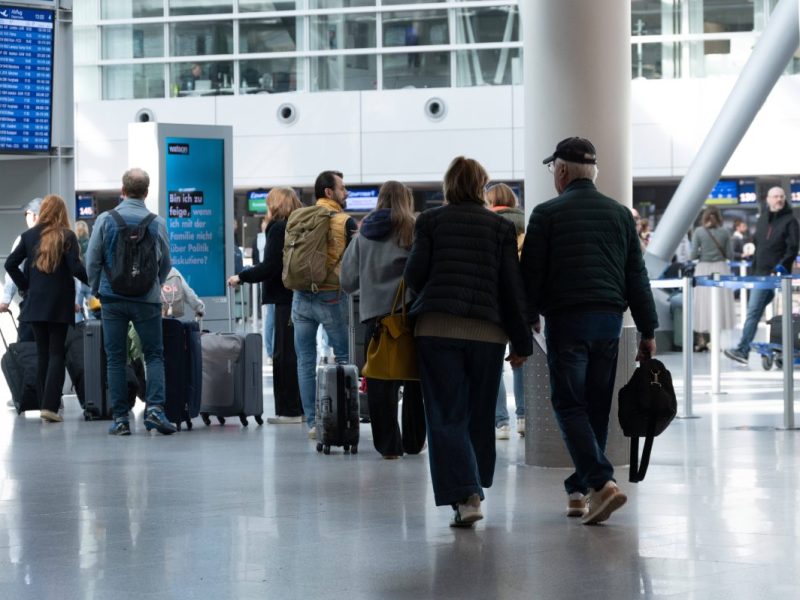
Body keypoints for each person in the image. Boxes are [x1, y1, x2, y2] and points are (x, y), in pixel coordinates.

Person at [520, 137, 658, 525]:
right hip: (609, 322)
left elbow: (531, 274)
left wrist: (528, 315)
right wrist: (647, 329)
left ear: (561, 171)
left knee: (568, 404)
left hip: (566, 321)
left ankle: (601, 483)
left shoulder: (546, 215)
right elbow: (637, 276)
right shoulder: (618, 215)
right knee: (596, 406)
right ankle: (579, 490)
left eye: (552, 170)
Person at [403, 156, 532, 528]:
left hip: (437, 329)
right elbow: (512, 288)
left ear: (447, 185)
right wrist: (520, 342)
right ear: (481, 186)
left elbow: (414, 275)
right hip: (487, 334)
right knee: (478, 416)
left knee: (445, 415)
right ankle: (474, 487)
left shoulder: (429, 221)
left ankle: (466, 495)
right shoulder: (499, 226)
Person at [85, 168, 176, 436]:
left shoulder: (105, 219)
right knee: (154, 355)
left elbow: (92, 259)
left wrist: (96, 288)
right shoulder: (157, 222)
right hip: (147, 300)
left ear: (121, 190)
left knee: (115, 358)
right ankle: (156, 411)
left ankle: (121, 419)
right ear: (146, 192)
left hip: (112, 298)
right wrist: (154, 285)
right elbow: (166, 262)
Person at [341, 181, 426, 459]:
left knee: (380, 382)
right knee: (415, 381)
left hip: (376, 321)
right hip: (411, 318)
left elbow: (347, 280)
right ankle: (414, 442)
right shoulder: (414, 230)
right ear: (406, 200)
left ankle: (389, 446)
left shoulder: (363, 233)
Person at [4, 195, 88, 423]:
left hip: (34, 305)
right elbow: (75, 267)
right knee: (56, 353)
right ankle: (50, 406)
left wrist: (26, 288)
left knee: (43, 354)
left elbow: (10, 263)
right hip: (59, 305)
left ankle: (43, 404)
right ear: (61, 213)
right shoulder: (67, 236)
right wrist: (95, 282)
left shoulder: (29, 236)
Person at [228, 187, 303, 425]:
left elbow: (270, 266)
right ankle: (298, 407)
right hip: (298, 296)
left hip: (283, 298)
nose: (267, 208)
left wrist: (242, 276)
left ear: (276, 205)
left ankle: (289, 411)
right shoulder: (296, 225)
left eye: (269, 203)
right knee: (296, 353)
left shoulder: (278, 227)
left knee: (283, 354)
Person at [291, 171, 357, 439]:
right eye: (343, 188)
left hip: (300, 296)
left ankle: (312, 423)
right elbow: (354, 261)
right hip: (331, 295)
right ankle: (344, 418)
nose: (347, 192)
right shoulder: (345, 221)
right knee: (344, 358)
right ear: (329, 192)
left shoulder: (299, 216)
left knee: (305, 361)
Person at [725, 187, 800, 365]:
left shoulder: (790, 221)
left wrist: (780, 266)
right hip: (759, 274)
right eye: (775, 196)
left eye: (782, 196)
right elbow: (759, 245)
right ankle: (759, 347)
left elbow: (792, 247)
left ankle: (743, 350)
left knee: (753, 312)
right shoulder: (762, 220)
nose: (779, 199)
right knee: (756, 312)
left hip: (775, 275)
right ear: (768, 199)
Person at [485, 183, 526, 440]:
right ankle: (523, 417)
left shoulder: (486, 223)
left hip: (493, 300)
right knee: (520, 359)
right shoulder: (526, 223)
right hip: (521, 299)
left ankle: (501, 422)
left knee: (495, 364)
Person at [690, 207, 734, 352]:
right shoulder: (725, 232)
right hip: (721, 269)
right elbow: (730, 255)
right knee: (721, 303)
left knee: (703, 303)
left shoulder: (699, 232)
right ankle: (717, 339)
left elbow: (693, 256)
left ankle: (703, 339)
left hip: (703, 270)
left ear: (704, 217)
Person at [0, 197, 42, 344]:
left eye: (27, 214)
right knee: (53, 353)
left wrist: (5, 300)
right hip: (56, 307)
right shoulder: (59, 238)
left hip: (32, 304)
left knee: (27, 349)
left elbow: (13, 267)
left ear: (35, 215)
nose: (26, 217)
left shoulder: (25, 239)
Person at [251, 215, 275, 360]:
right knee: (270, 318)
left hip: (268, 279)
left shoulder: (269, 236)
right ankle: (271, 351)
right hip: (267, 280)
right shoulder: (260, 239)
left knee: (272, 318)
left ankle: (272, 351)